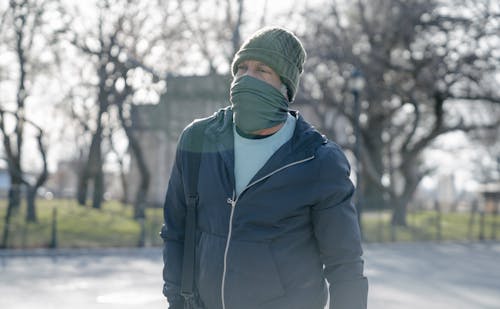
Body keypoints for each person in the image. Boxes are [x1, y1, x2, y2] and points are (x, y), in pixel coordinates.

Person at [161, 26, 368, 309]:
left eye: (261, 70)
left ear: (285, 87)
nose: (246, 79)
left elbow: (345, 266)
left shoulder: (319, 160)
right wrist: (176, 301)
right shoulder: (197, 141)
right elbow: (175, 232)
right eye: (241, 69)